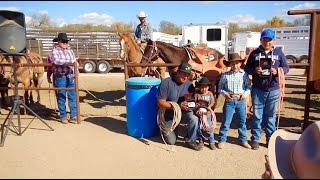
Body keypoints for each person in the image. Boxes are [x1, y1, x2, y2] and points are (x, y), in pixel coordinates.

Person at [244, 29, 290, 150]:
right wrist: (255, 70)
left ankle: (270, 138)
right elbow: (247, 68)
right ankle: (255, 139)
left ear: (273, 40)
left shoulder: (279, 52)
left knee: (270, 115)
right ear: (261, 40)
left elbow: (286, 67)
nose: (267, 42)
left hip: (273, 88)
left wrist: (278, 71)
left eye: (269, 40)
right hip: (258, 88)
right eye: (264, 40)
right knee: (257, 115)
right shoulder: (254, 53)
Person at [157, 62, 203, 151]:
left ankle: (191, 140)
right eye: (183, 73)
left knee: (194, 118)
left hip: (182, 112)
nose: (185, 76)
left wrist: (195, 105)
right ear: (177, 72)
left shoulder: (189, 84)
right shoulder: (166, 83)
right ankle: (166, 127)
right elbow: (160, 102)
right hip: (168, 114)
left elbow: (191, 100)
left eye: (188, 74)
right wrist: (177, 106)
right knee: (172, 141)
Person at [217, 53, 251, 149]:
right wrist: (225, 93)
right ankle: (222, 139)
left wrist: (245, 94)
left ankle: (243, 140)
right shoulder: (225, 75)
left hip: (241, 100)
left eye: (237, 63)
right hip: (230, 100)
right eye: (232, 64)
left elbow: (248, 86)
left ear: (240, 64)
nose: (235, 66)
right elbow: (220, 87)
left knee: (242, 121)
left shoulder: (244, 74)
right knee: (226, 121)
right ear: (230, 65)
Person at [51, 32, 77, 124]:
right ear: (59, 42)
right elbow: (57, 61)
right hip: (60, 76)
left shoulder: (71, 51)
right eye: (63, 41)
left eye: (66, 41)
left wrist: (75, 73)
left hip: (70, 76)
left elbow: (74, 62)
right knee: (61, 96)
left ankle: (73, 115)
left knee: (72, 96)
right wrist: (69, 62)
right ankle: (63, 116)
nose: (65, 43)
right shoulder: (55, 51)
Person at [194, 77, 216, 150]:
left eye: (205, 87)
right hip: (200, 114)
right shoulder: (197, 94)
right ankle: (201, 141)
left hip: (208, 114)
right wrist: (197, 109)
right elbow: (195, 103)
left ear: (208, 87)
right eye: (202, 87)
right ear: (199, 87)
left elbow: (212, 102)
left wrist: (209, 106)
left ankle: (211, 142)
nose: (204, 89)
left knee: (209, 128)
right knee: (200, 128)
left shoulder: (210, 94)